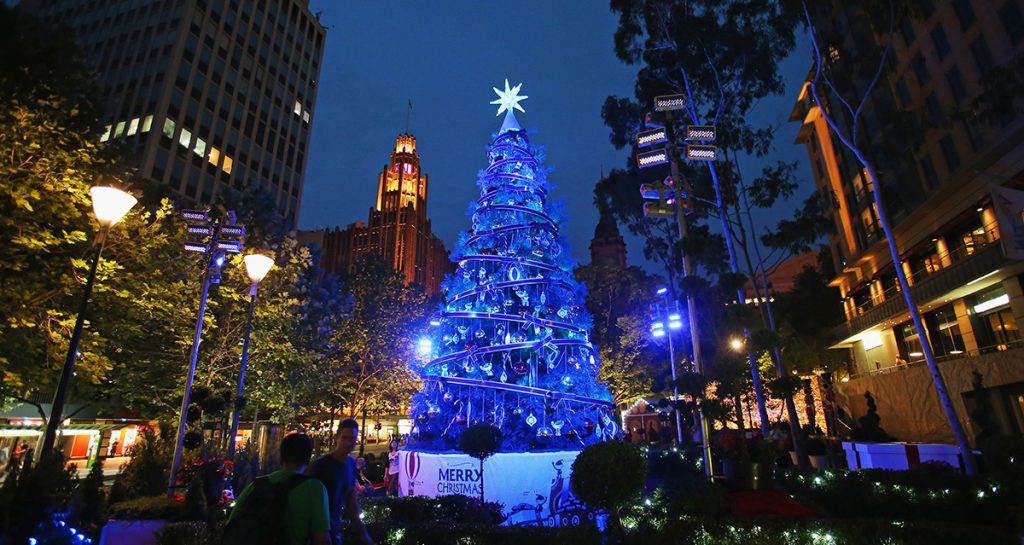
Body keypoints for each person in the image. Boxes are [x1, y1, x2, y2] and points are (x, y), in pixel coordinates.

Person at [225, 433, 329, 545]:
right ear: (308, 459)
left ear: (281, 457)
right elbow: (321, 540)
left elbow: (231, 524)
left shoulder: (257, 485)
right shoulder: (314, 488)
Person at [308, 419, 372, 545]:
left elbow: (351, 501)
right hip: (317, 534)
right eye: (344, 438)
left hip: (335, 530)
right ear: (337, 438)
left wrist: (363, 534)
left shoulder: (351, 464)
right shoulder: (320, 465)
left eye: (352, 438)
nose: (348, 442)